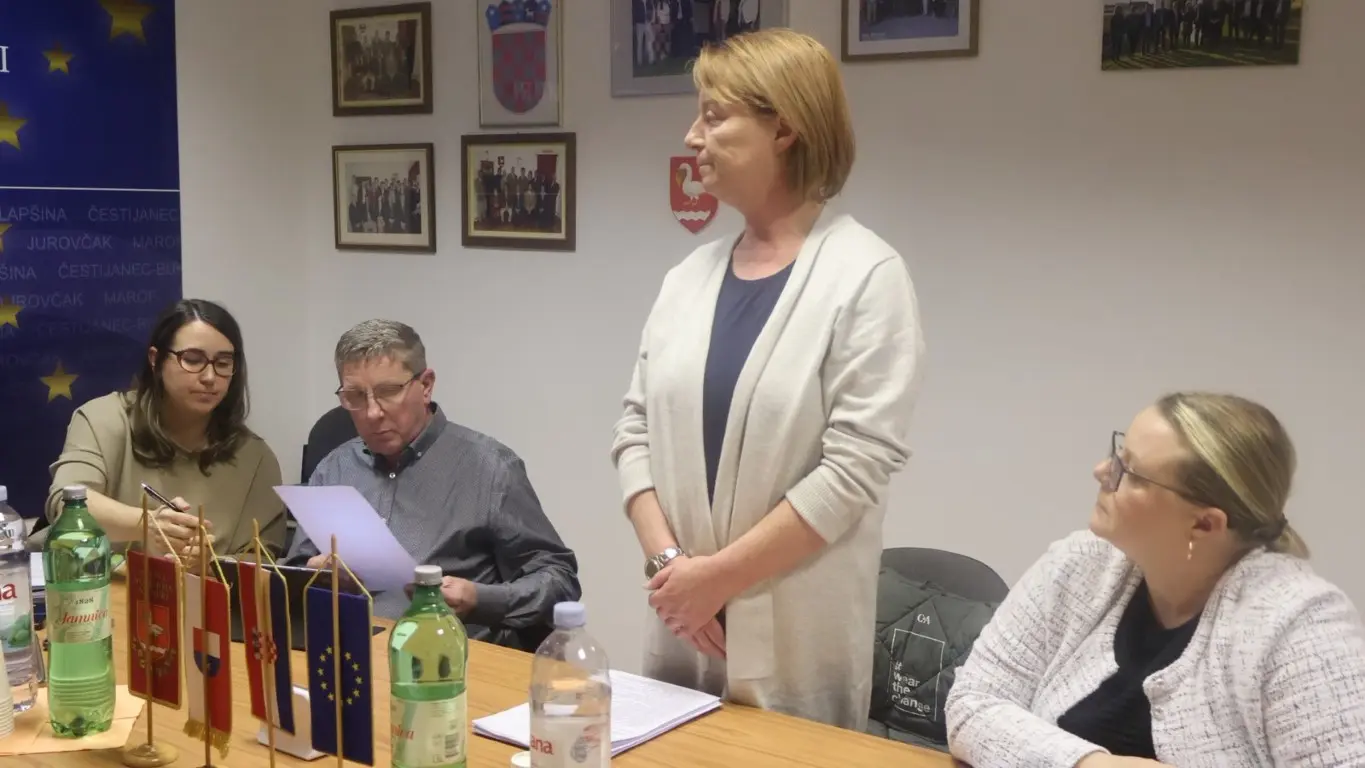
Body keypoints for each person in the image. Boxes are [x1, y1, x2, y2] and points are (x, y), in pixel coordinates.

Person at [610, 28, 924, 731]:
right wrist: (671, 568)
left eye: (713, 116)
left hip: (794, 641)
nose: (692, 136)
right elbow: (633, 432)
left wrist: (716, 579)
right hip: (682, 626)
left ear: (783, 128)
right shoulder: (687, 278)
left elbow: (854, 469)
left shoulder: (865, 277)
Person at [945, 392, 1365, 766]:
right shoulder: (1081, 564)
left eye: (1131, 472)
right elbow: (972, 703)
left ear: (1204, 524)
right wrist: (1089, 764)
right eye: (1118, 453)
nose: (1101, 471)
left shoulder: (1299, 624)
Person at [284, 319, 581, 647]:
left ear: (426, 385)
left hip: (444, 660)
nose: (371, 413)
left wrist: (480, 599)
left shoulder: (491, 468)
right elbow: (293, 572)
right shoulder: (335, 468)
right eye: (355, 396)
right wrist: (318, 575)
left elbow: (559, 579)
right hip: (343, 654)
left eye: (388, 392)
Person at [46, 298, 286, 558]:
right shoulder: (104, 419)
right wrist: (147, 524)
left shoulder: (255, 457)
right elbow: (66, 504)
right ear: (155, 359)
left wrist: (208, 565)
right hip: (100, 581)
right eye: (192, 360)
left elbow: (264, 560)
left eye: (223, 363)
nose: (209, 377)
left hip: (204, 584)